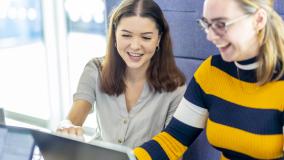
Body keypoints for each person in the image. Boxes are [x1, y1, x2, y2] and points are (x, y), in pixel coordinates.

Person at [134, 0, 284, 159]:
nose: (210, 36)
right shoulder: (212, 71)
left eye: (221, 24)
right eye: (207, 24)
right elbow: (174, 139)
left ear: (259, 20)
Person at [56, 0, 186, 148]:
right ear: (115, 35)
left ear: (159, 39)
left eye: (146, 37)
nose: (135, 46)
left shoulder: (176, 89)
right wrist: (66, 126)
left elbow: (172, 150)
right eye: (126, 35)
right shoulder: (95, 69)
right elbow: (73, 119)